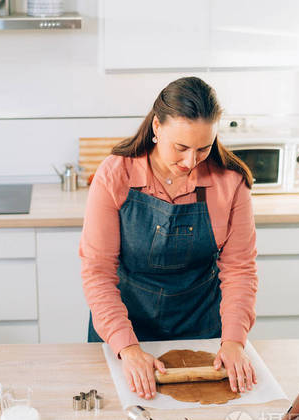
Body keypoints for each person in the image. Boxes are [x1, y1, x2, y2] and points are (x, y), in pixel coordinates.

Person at [79, 76, 258, 400]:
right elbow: (98, 270)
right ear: (157, 127)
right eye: (181, 148)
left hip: (201, 329)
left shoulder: (231, 182)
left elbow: (239, 269)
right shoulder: (114, 174)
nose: (191, 162)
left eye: (203, 148)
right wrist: (128, 348)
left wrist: (233, 342)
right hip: (125, 326)